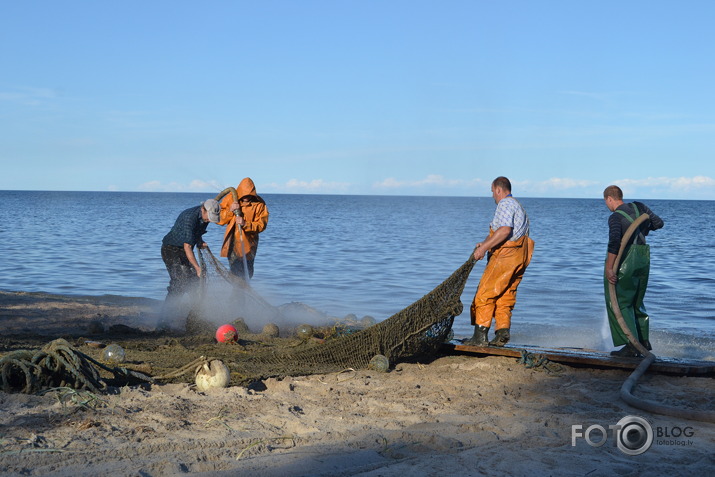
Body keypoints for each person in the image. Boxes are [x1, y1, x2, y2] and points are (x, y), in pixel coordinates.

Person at [465, 176, 535, 347]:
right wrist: (486, 243)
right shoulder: (518, 206)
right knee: (505, 296)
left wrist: (482, 250)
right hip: (521, 257)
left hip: (506, 257)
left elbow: (504, 231)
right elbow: (510, 234)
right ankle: (502, 333)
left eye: (492, 192)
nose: (492, 196)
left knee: (485, 293)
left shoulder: (505, 204)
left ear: (498, 189)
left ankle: (479, 338)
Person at [603, 185, 664, 357]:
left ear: (609, 199)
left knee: (620, 302)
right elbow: (659, 223)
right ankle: (643, 341)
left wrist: (609, 268)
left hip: (625, 261)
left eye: (606, 202)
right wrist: (642, 228)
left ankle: (631, 345)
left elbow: (614, 242)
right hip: (643, 259)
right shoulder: (640, 207)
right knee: (637, 301)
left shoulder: (615, 217)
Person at [161, 199, 221, 298]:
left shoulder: (205, 217)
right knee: (179, 280)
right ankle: (169, 309)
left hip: (184, 250)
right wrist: (198, 268)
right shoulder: (190, 217)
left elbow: (197, 231)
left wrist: (200, 240)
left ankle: (194, 309)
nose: (210, 220)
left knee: (194, 281)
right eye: (209, 218)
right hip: (170, 249)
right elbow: (187, 246)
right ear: (203, 209)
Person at [218, 177, 269, 280]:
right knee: (235, 273)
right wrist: (230, 210)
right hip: (232, 242)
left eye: (249, 195)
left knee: (247, 274)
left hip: (249, 244)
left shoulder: (259, 205)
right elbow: (219, 219)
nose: (246, 197)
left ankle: (241, 294)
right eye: (244, 195)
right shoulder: (230, 198)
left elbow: (261, 225)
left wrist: (245, 224)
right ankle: (237, 294)